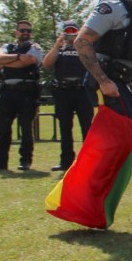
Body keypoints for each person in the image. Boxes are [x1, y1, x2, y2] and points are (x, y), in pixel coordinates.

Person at [46, 0, 132, 229]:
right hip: (108, 82)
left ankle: (95, 207)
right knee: (116, 144)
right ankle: (79, 204)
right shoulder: (114, 7)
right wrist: (103, 81)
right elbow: (81, 41)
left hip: (130, 82)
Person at [0, 20, 44, 171]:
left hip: (27, 93)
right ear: (16, 32)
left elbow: (27, 62)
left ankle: (25, 161)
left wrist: (5, 62)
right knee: (3, 128)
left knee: (26, 128)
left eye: (28, 31)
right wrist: (18, 56)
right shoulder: (6, 47)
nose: (26, 33)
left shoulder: (35, 48)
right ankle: (0, 162)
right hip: (7, 93)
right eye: (22, 30)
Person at [42, 20, 94, 171]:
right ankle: (66, 162)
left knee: (87, 128)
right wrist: (56, 46)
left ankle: (88, 161)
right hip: (63, 92)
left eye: (73, 31)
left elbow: (92, 63)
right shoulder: (59, 49)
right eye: (68, 32)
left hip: (82, 92)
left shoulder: (84, 47)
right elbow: (46, 64)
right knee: (65, 128)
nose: (70, 35)